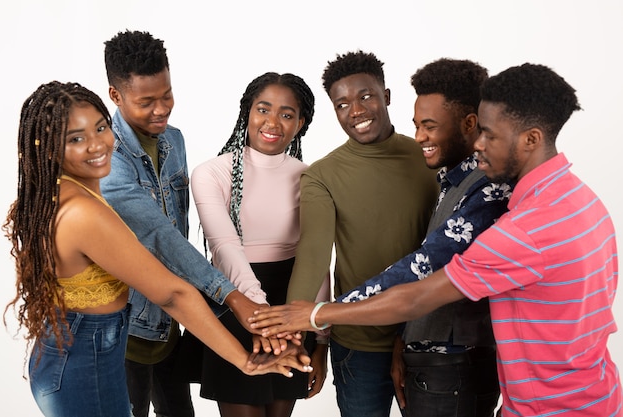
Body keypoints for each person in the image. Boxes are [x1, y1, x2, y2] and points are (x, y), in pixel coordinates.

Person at [250, 63, 622, 417]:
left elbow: (418, 291)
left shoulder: (523, 229)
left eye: (488, 134)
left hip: (550, 405)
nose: (478, 143)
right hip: (581, 394)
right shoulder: (580, 200)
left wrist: (315, 315)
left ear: (531, 138)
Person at [2, 81, 312, 417]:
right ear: (49, 149)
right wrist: (244, 361)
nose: (98, 145)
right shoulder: (84, 214)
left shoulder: (59, 194)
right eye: (76, 138)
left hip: (69, 355)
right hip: (84, 370)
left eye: (101, 128)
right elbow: (173, 294)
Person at [100, 30, 282, 417]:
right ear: (115, 95)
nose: (161, 109)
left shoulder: (174, 142)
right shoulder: (106, 157)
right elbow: (160, 236)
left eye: (166, 95)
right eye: (146, 102)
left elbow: (186, 234)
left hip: (170, 325)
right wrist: (233, 297)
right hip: (124, 331)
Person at [336, 58, 511, 417]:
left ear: (469, 123)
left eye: (429, 127)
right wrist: (405, 339)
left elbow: (423, 266)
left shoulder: (488, 188)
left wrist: (322, 313)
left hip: (453, 366)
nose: (419, 137)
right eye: (417, 126)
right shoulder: (453, 180)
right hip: (433, 361)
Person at [285, 50, 439, 417]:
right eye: (342, 104)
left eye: (366, 96)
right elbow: (313, 258)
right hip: (358, 341)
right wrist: (296, 330)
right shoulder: (322, 175)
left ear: (386, 96)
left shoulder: (428, 155)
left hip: (425, 336)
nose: (355, 110)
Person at [181, 71, 331, 417]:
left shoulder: (312, 178)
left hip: (293, 309)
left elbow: (317, 257)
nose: (273, 122)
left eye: (287, 114)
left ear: (300, 124)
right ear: (247, 111)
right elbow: (224, 246)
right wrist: (262, 317)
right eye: (263, 109)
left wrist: (320, 338)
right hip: (235, 303)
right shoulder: (212, 173)